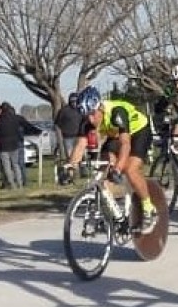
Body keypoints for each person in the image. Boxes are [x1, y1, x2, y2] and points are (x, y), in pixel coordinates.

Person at [66, 86, 158, 233]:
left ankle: (149, 209)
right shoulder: (87, 121)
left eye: (93, 114)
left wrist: (118, 169)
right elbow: (80, 146)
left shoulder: (116, 112)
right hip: (116, 135)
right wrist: (70, 168)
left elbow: (126, 145)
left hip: (139, 131)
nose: (91, 119)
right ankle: (111, 213)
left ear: (99, 107)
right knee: (103, 168)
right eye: (86, 116)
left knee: (130, 168)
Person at [55, 92, 83, 159]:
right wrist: (61, 135)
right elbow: (57, 124)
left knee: (79, 156)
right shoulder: (64, 110)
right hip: (68, 138)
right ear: (69, 101)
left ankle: (80, 168)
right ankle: (71, 168)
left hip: (79, 137)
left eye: (76, 101)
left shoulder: (81, 110)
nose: (74, 102)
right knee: (70, 157)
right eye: (72, 101)